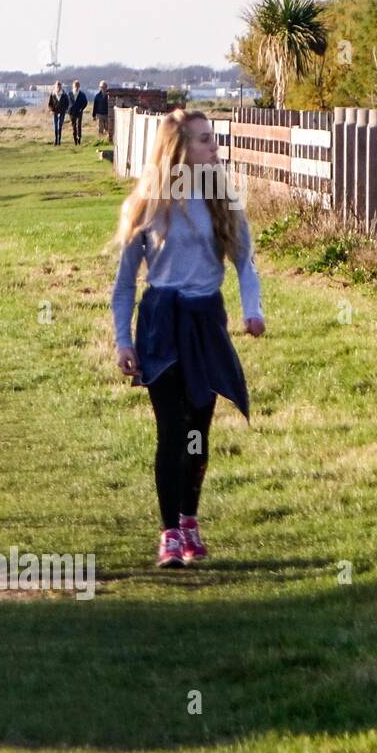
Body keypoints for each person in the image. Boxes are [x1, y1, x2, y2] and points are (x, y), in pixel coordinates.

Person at [110, 109, 265, 569]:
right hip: (161, 323)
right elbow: (124, 285)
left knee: (198, 431)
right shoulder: (148, 204)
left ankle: (189, 519)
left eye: (213, 140)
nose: (214, 148)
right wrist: (123, 341)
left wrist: (252, 312)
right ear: (179, 149)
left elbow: (245, 264)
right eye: (204, 141)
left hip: (205, 322)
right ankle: (169, 534)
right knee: (171, 431)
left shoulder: (222, 199)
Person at [68, 80, 88, 145]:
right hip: (72, 112)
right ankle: (75, 141)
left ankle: (79, 138)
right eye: (75, 86)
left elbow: (85, 102)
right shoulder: (69, 94)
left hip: (79, 111)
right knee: (74, 126)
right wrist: (68, 110)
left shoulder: (82, 94)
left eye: (77, 86)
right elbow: (66, 102)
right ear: (73, 86)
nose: (76, 87)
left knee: (79, 125)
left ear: (79, 86)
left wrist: (82, 108)